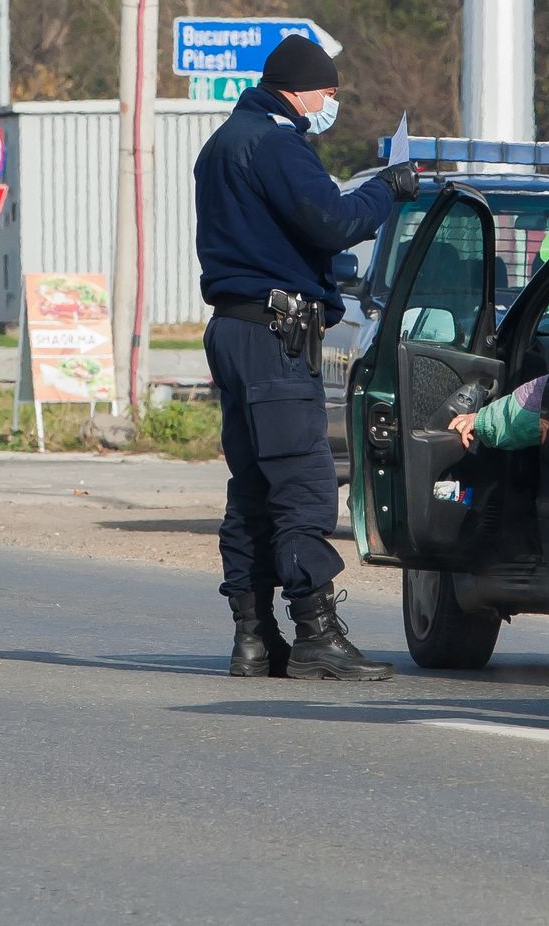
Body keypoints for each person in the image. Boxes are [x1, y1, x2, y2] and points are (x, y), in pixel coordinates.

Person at [193, 33, 420, 680]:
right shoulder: (276, 143)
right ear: (298, 90)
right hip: (275, 336)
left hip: (235, 327)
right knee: (301, 483)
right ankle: (316, 633)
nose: (331, 103)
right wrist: (387, 190)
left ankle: (253, 637)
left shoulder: (223, 143)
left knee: (253, 487)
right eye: (328, 92)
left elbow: (277, 235)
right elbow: (332, 220)